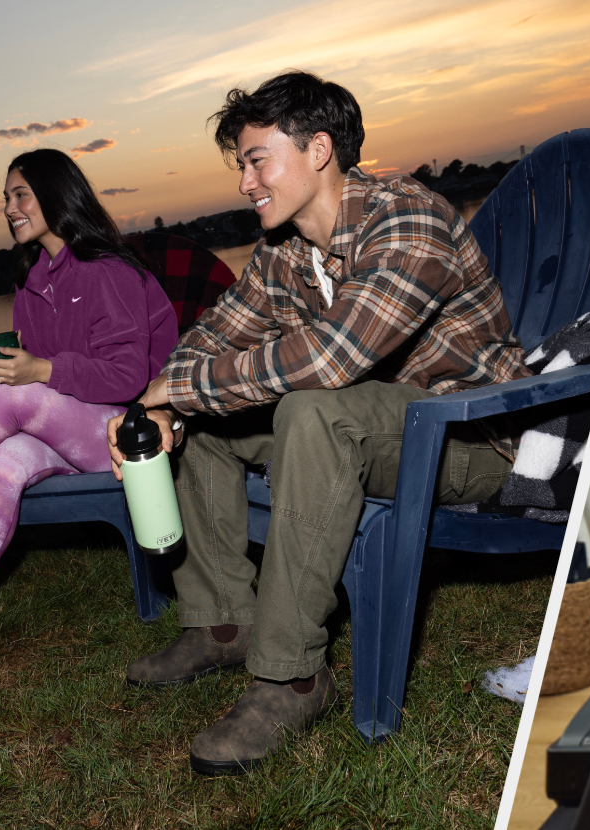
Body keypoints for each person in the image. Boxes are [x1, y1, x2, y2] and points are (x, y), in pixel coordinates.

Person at [108, 71, 530, 774]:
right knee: (209, 425)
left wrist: (176, 391)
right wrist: (157, 406)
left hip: (468, 435)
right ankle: (221, 623)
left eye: (255, 159)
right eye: (240, 164)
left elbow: (333, 357)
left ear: (319, 150)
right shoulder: (284, 254)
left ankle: (293, 675)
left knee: (309, 407)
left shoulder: (408, 218)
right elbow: (218, 333)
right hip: (367, 424)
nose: (244, 183)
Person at [0, 149, 178, 665]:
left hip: (127, 435)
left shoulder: (106, 270)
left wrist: (35, 372)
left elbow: (129, 376)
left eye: (21, 194)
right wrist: (11, 368)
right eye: (6, 199)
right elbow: (42, 379)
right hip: (63, 434)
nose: (9, 207)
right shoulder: (29, 282)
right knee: (6, 464)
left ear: (57, 196)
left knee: (14, 395)